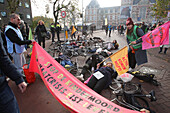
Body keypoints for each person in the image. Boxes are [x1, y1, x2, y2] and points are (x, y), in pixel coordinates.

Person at [0, 31, 27, 113]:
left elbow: (2, 58)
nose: (19, 21)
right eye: (17, 19)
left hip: (2, 89)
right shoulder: (9, 30)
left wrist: (18, 78)